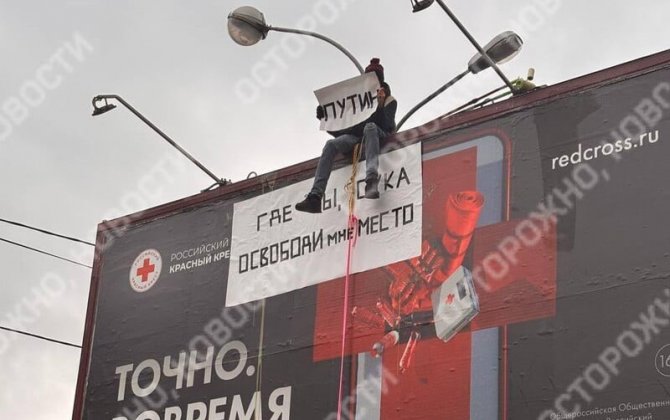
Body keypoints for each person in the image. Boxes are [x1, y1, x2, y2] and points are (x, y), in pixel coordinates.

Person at [295, 58, 398, 214]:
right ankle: (315, 196)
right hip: (356, 137)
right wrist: (327, 119)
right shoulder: (357, 104)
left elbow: (386, 125)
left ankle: (371, 179)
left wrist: (380, 104)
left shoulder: (389, 100)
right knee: (330, 144)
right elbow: (343, 131)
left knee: (370, 127)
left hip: (378, 134)